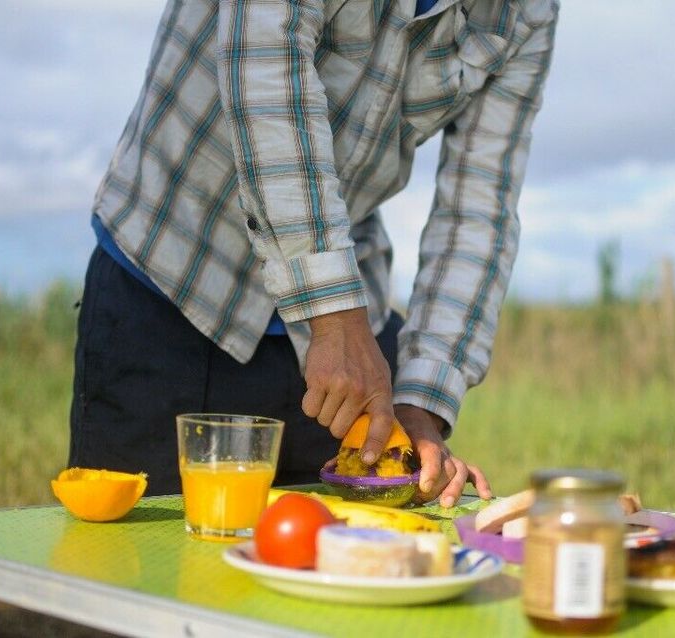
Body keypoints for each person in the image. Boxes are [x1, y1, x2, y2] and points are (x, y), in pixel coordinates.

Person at [69, 0, 559, 508]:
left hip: (339, 350)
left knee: (328, 564)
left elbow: (478, 206)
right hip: (170, 279)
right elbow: (263, 64)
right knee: (133, 575)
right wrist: (335, 316)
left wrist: (421, 402)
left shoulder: (529, 13)